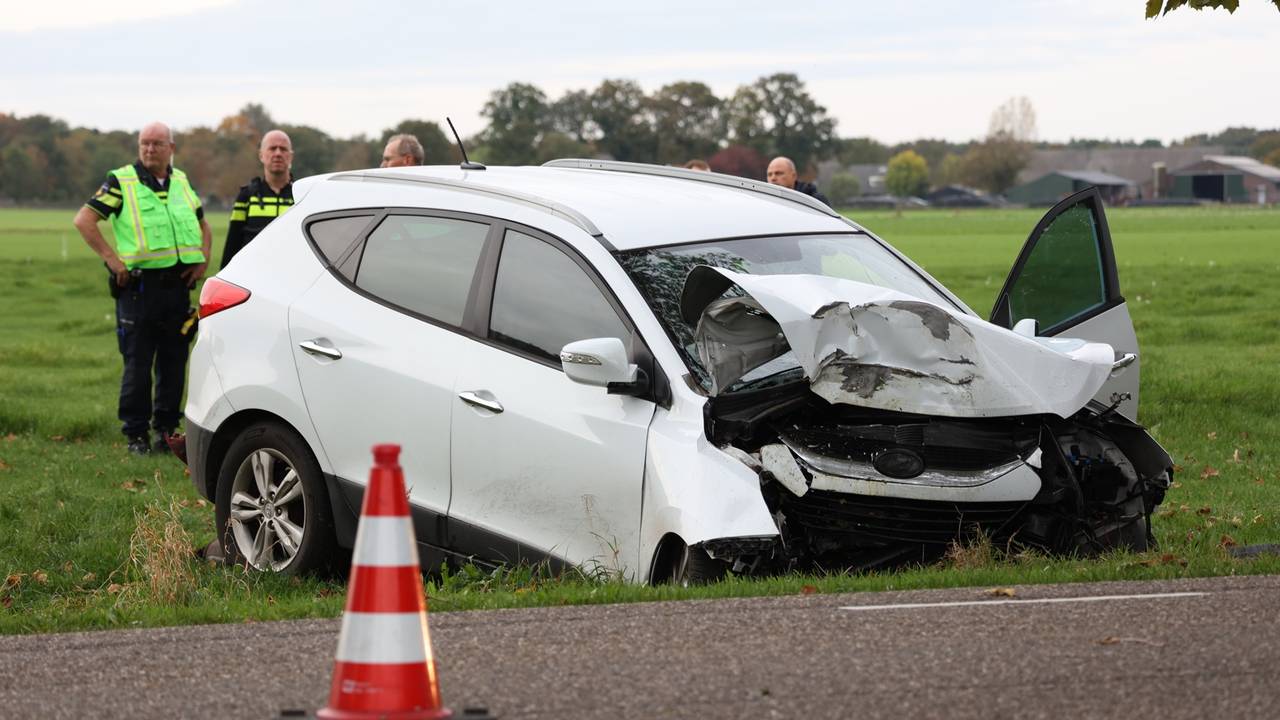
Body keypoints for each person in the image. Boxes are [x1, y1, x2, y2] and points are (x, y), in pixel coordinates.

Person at [72, 122, 212, 455]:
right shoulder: (121, 181)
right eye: (144, 143)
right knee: (137, 365)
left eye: (157, 144)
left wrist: (203, 260)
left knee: (174, 361)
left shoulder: (180, 180)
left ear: (171, 148)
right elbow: (84, 220)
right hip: (139, 290)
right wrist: (112, 261)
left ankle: (165, 432)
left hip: (178, 287)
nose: (150, 149)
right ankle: (135, 435)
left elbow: (203, 225)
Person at [221, 129, 295, 269]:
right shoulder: (246, 196)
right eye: (272, 148)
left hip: (292, 276)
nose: (278, 153)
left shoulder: (301, 196)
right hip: (254, 278)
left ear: (291, 157)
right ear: (261, 155)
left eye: (283, 149)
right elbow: (233, 242)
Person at [766, 156, 832, 207]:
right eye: (769, 174)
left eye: (779, 173)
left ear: (794, 176)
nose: (773, 178)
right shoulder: (763, 202)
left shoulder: (815, 201)